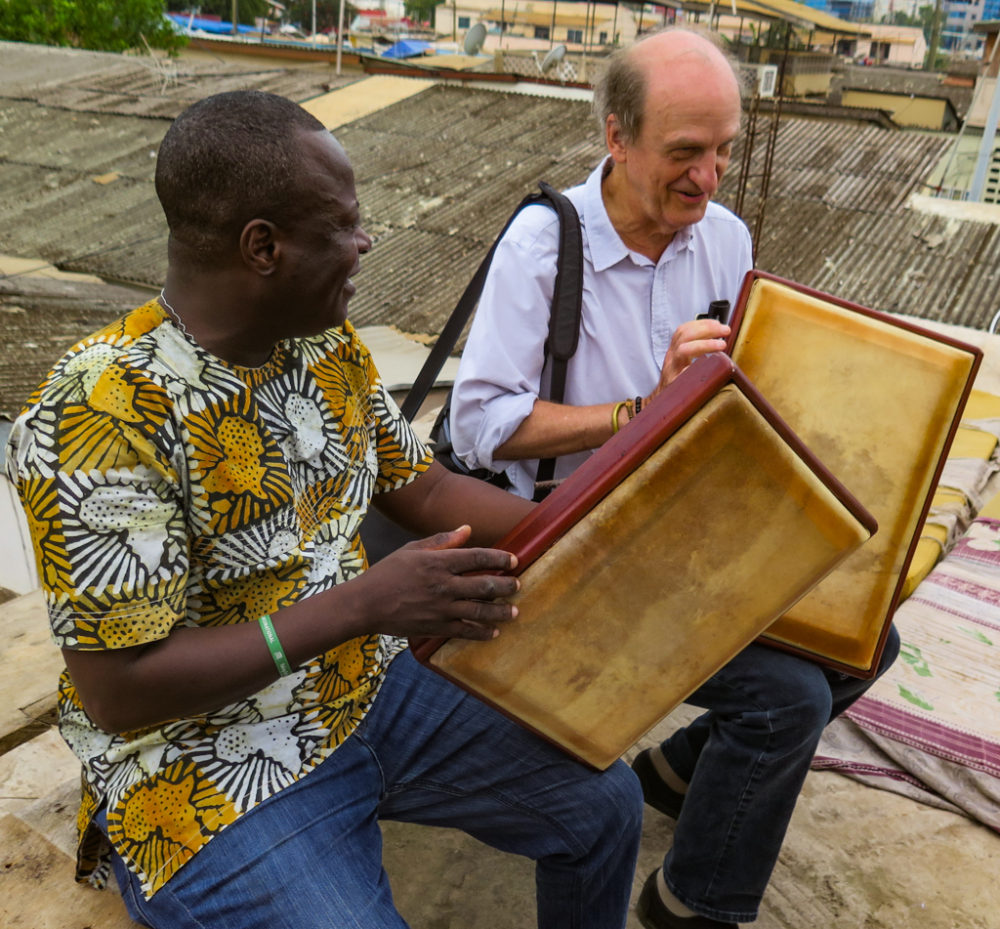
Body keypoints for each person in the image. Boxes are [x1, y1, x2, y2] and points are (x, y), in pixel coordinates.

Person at [5, 89, 644, 929]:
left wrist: (609, 533)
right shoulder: (102, 409)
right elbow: (121, 690)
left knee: (604, 805)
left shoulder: (323, 343)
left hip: (362, 686)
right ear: (262, 247)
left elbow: (423, 488)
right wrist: (367, 604)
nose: (366, 240)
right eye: (343, 224)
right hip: (199, 767)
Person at [449, 28, 901, 929]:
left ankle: (679, 768)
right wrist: (642, 409)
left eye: (724, 150)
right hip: (566, 541)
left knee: (865, 636)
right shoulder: (545, 247)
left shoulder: (722, 240)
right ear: (617, 137)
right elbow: (481, 421)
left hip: (680, 527)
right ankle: (691, 906)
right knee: (784, 700)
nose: (709, 176)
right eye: (685, 153)